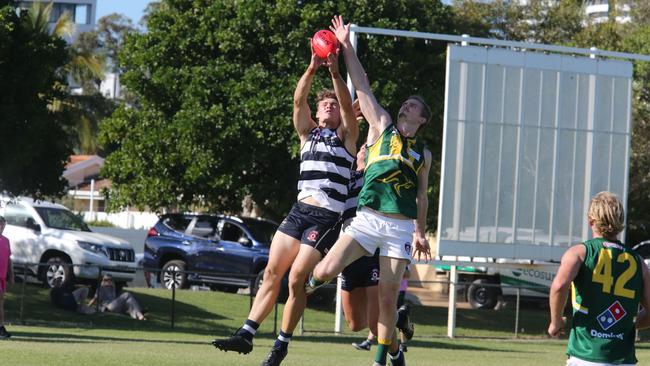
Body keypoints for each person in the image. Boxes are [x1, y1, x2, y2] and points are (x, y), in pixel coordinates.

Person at [212, 40, 358, 366]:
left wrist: (336, 73)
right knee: (271, 273)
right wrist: (311, 67)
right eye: (325, 105)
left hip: (325, 218)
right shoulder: (306, 133)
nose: (330, 107)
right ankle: (246, 334)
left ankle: (280, 345)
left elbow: (349, 110)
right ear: (317, 112)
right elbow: (298, 99)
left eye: (334, 104)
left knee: (295, 280)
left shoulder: (347, 138)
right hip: (298, 211)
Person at [307, 15, 432, 366]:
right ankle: (298, 294)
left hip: (400, 228)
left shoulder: (423, 153)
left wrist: (420, 230)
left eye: (413, 105)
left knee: (388, 302)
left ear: (422, 118)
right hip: (367, 221)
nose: (405, 105)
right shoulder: (382, 126)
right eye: (405, 103)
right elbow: (361, 85)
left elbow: (421, 196)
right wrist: (345, 45)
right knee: (324, 271)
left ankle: (385, 359)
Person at [548, 191, 650, 366]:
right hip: (623, 359)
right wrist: (626, 325)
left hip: (585, 354)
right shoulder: (638, 262)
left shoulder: (579, 253)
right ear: (620, 223)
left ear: (591, 221)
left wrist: (555, 322)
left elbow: (559, 286)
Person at [0, 215, 14, 340]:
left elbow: (8, 259)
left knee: (1, 302)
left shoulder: (6, 240)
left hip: (2, 276)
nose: (1, 227)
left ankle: (1, 328)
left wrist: (11, 275)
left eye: (3, 225)